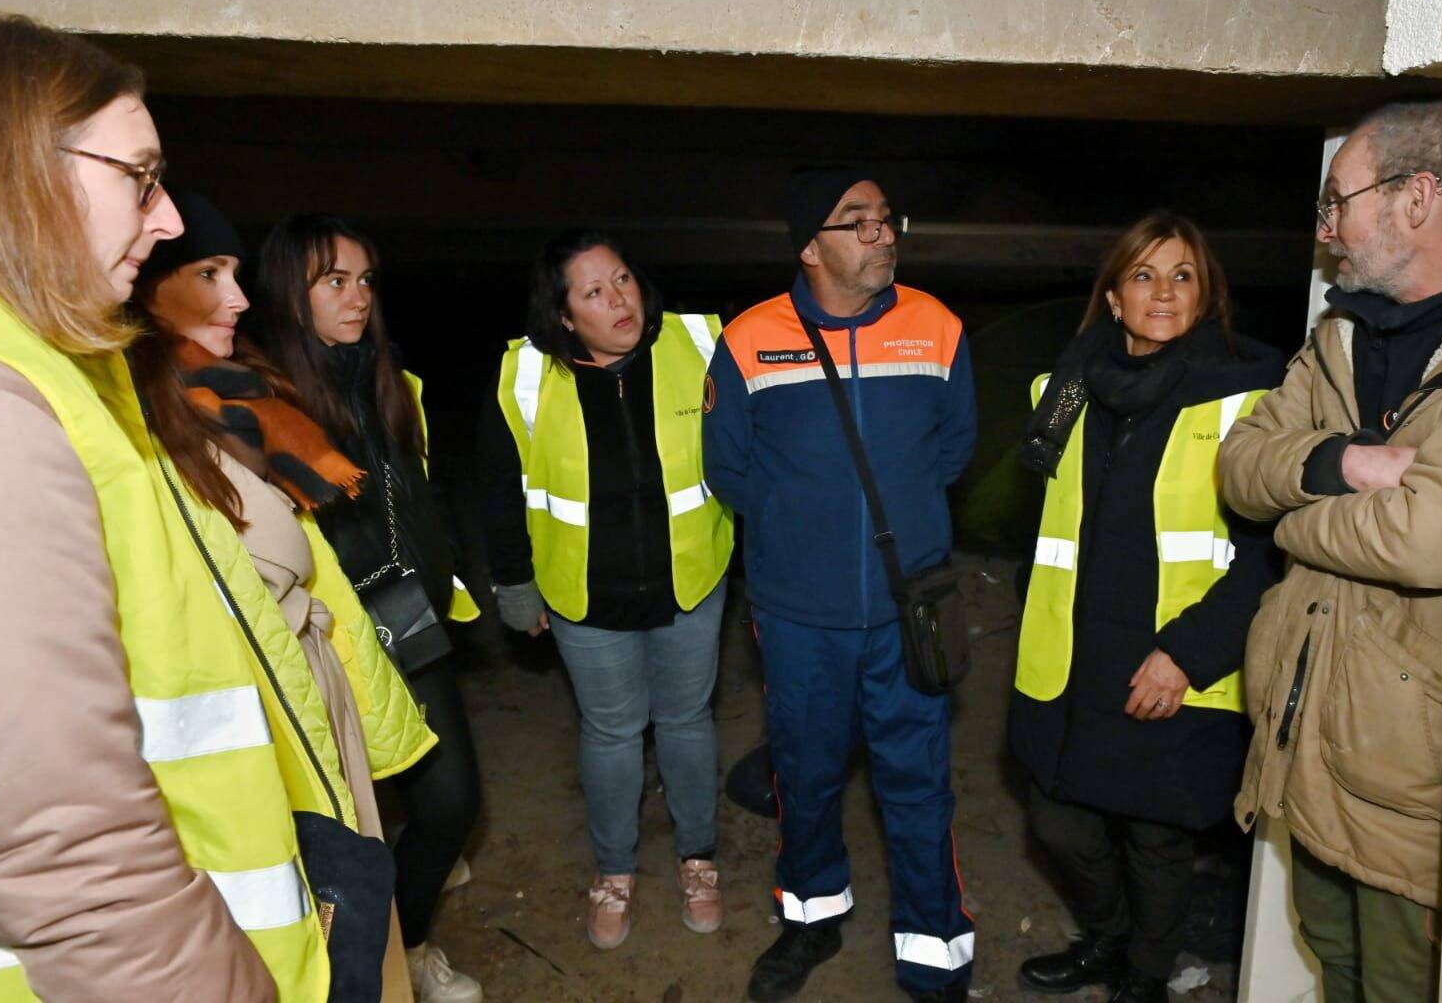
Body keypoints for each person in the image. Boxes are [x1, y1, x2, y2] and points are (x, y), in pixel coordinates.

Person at [0, 13, 324, 1000]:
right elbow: (76, 864)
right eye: (140, 176)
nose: (168, 218)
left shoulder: (61, 376)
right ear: (14, 169)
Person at [127, 190, 441, 999]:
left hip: (322, 669)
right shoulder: (147, 424)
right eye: (207, 273)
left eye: (234, 272)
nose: (233, 297)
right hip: (253, 711)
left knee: (359, 890)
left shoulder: (254, 397)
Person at [1217, 99, 1442, 1003]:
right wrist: (1346, 460)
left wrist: (1293, 522)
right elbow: (1241, 467)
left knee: (1401, 985)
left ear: (1416, 199)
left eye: (1338, 202)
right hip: (1307, 738)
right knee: (1332, 957)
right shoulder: (1338, 333)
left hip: (1410, 777)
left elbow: (1430, 537)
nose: (1325, 231)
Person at [703, 168, 978, 1003]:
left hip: (909, 609)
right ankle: (812, 918)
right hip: (798, 619)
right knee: (807, 776)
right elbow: (731, 472)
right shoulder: (751, 339)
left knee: (919, 782)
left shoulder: (938, 328)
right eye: (856, 221)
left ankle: (934, 953)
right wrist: (805, 535)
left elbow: (953, 450)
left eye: (886, 217)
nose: (881, 233)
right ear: (808, 246)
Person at [1009, 214, 1284, 1002]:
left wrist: (1188, 656)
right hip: (1070, 655)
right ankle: (1107, 938)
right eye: (1143, 275)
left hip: (1170, 661)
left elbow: (1269, 555)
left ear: (1207, 295)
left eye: (1183, 275)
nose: (1162, 292)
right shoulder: (1062, 390)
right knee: (1060, 822)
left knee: (1156, 838)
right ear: (1114, 296)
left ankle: (1145, 973)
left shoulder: (1248, 401)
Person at [478, 228, 734, 950]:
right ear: (563, 314)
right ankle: (616, 871)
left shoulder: (700, 342)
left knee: (685, 721)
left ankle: (698, 858)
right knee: (614, 731)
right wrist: (514, 585)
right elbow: (500, 492)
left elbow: (752, 450)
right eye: (594, 292)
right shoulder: (524, 376)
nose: (619, 299)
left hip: (691, 578)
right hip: (585, 595)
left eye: (622, 279)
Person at [250, 214, 484, 1003]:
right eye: (334, 281)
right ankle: (386, 952)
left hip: (409, 618)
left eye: (365, 280)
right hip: (331, 637)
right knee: (354, 827)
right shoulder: (268, 405)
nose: (357, 298)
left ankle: (411, 939)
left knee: (451, 801)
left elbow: (417, 494)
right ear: (291, 292)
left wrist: (450, 570)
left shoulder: (386, 379)